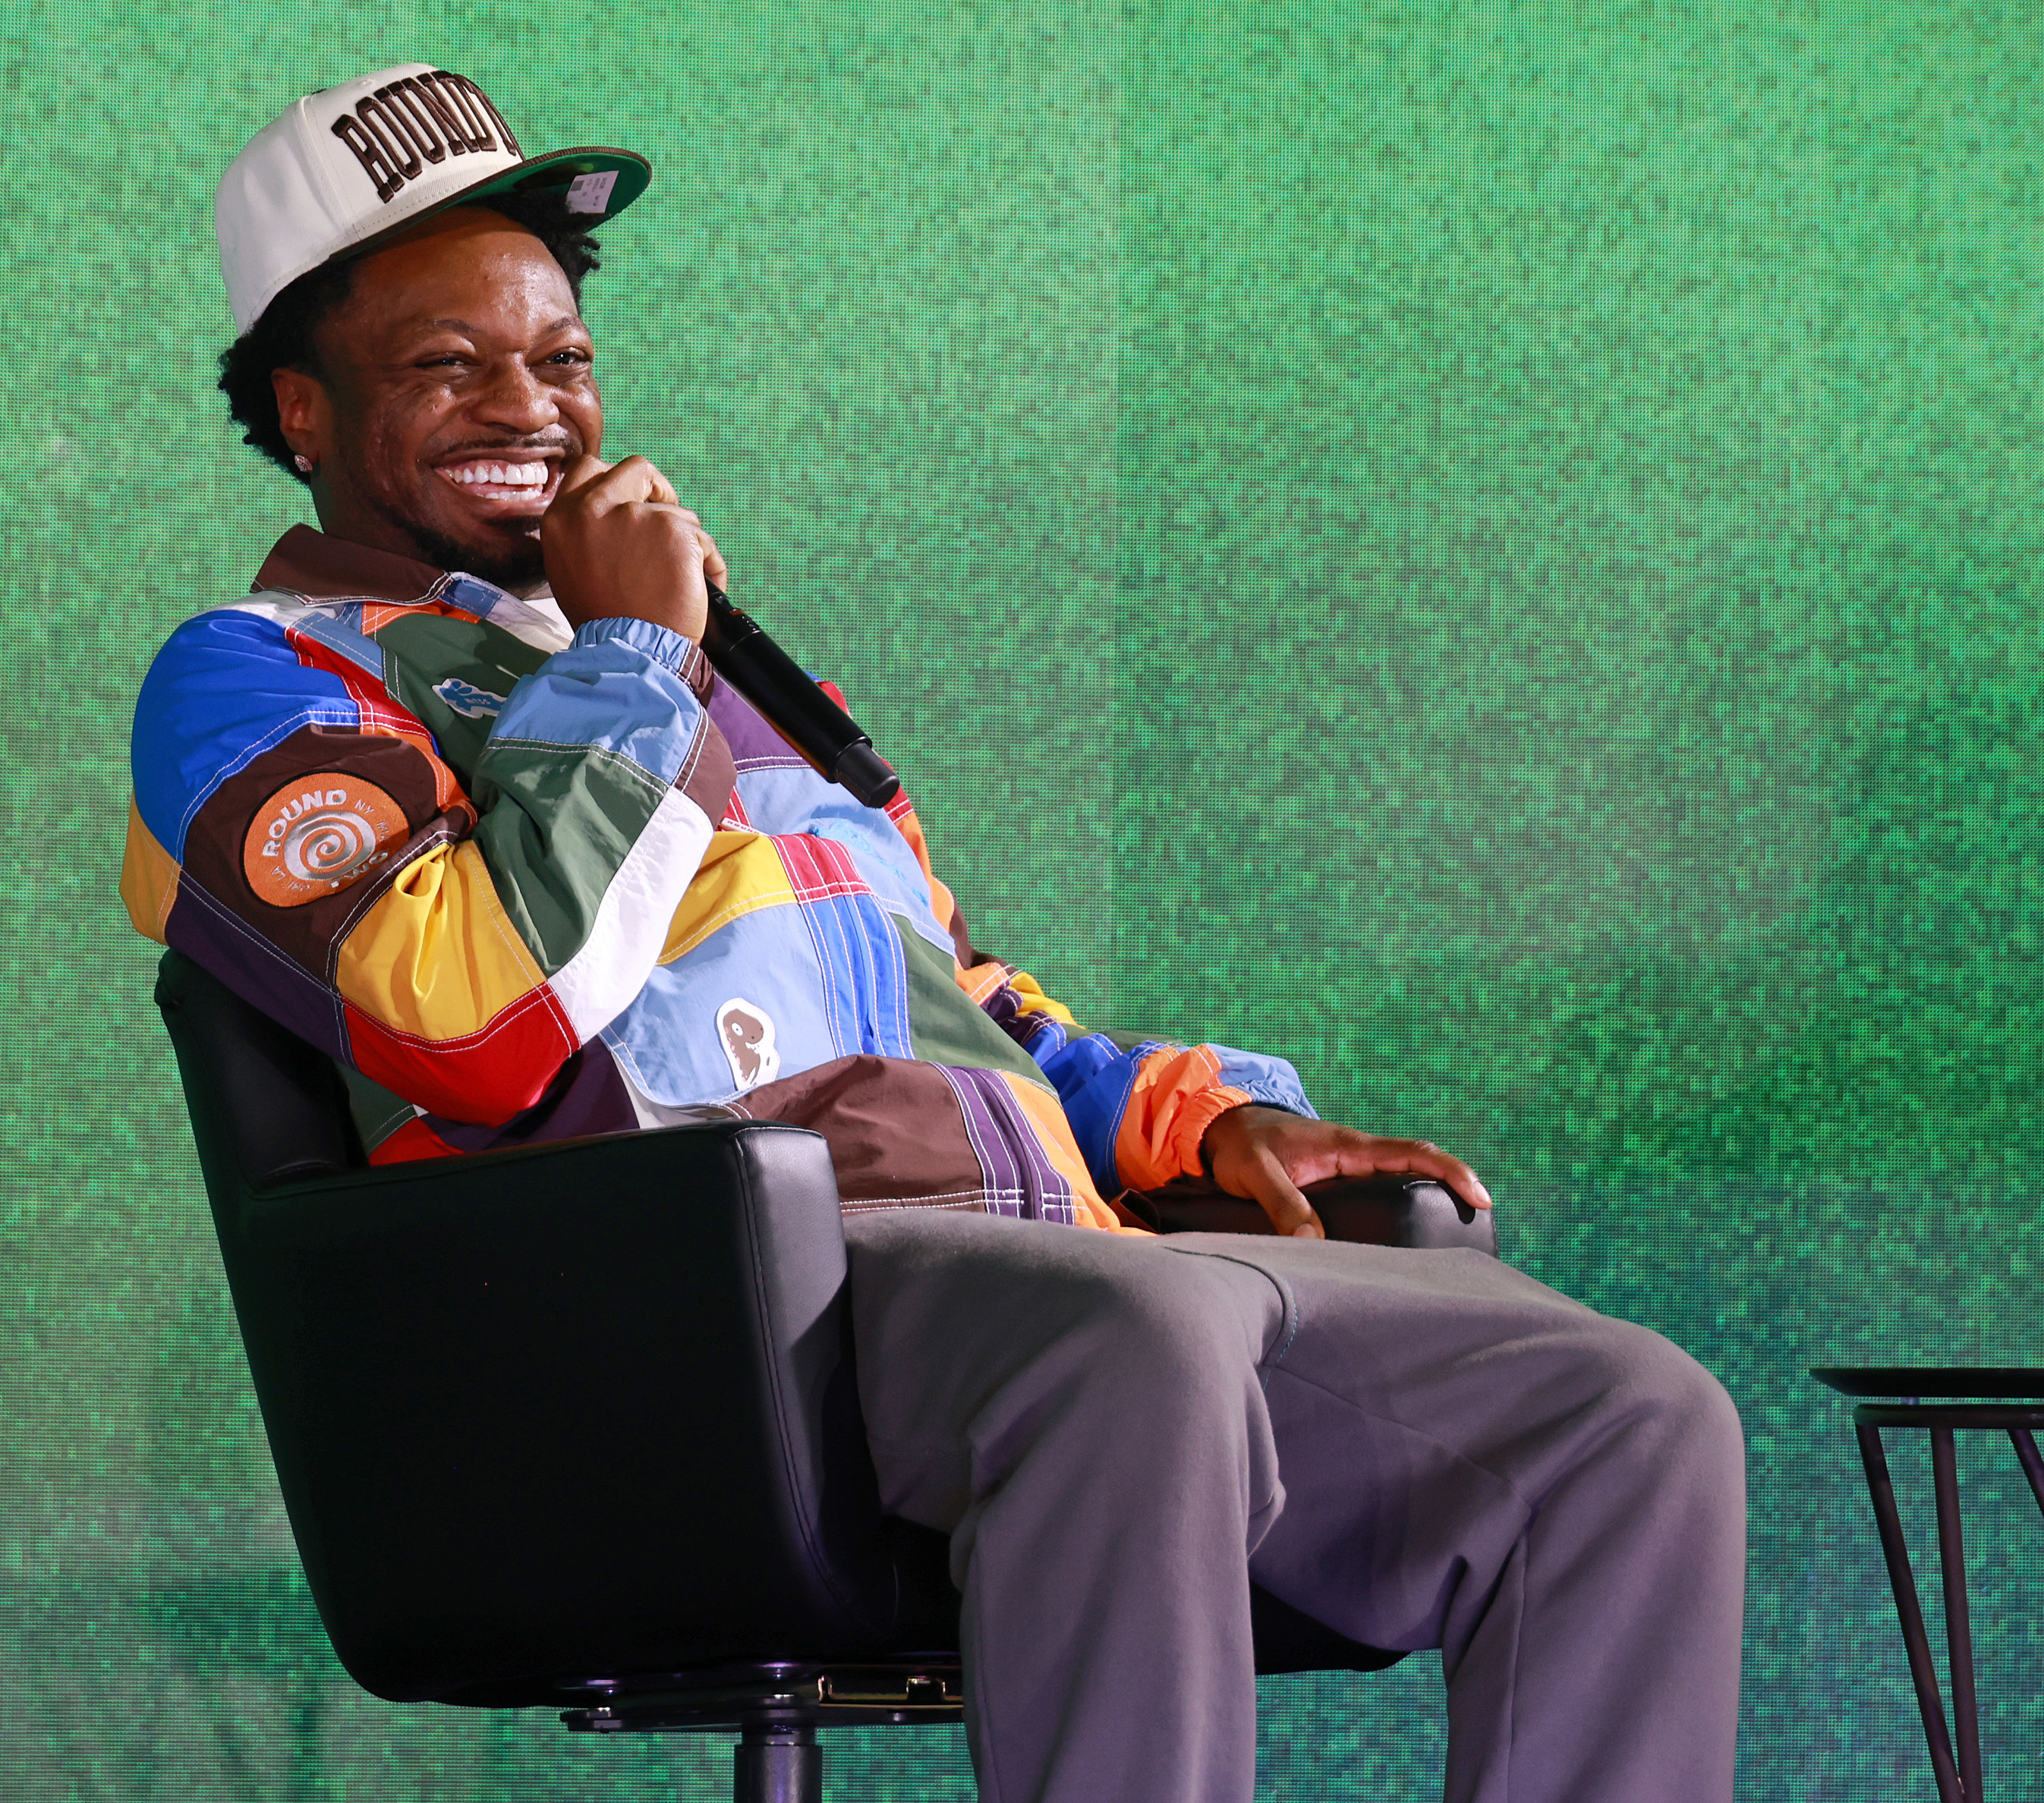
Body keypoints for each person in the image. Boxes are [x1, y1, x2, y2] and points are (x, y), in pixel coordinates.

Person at [124, 64, 1746, 1803]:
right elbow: (469, 1023)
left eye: (561, 358)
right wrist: (639, 667)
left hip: (1042, 1266)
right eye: (448, 365)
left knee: (1626, 1416)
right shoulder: (263, 673)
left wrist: (1202, 1117)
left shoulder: (723, 671)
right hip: (699, 1324)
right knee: (1143, 1342)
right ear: (300, 408)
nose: (531, 406)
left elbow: (952, 998)